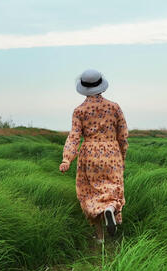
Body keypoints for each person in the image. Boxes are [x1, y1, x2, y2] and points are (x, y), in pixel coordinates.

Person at [59, 69, 129, 244]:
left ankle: (100, 237)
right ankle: (111, 208)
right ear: (102, 86)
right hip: (112, 152)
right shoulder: (114, 107)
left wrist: (67, 159)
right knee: (113, 187)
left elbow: (74, 137)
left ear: (83, 87)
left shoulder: (79, 111)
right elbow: (123, 135)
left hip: (89, 154)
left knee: (90, 193)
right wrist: (122, 155)